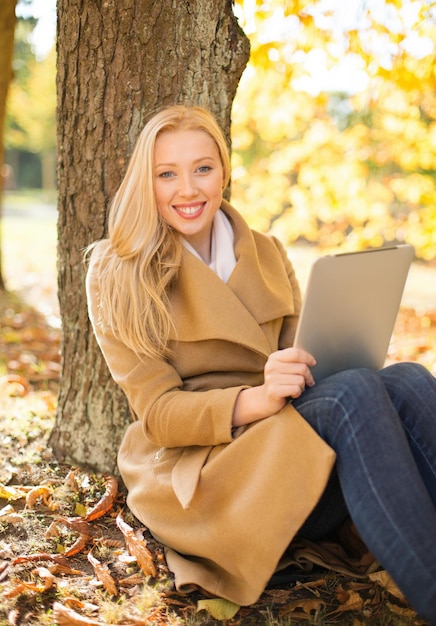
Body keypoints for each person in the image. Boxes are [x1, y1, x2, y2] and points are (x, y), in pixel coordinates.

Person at [86, 104, 436, 623]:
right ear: (147, 181)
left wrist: (331, 356)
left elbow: (311, 361)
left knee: (405, 378)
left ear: (223, 171)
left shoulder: (268, 252)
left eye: (202, 168)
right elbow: (157, 414)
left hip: (291, 449)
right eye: (167, 174)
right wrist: (259, 398)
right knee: (357, 393)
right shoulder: (118, 272)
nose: (188, 190)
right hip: (215, 473)